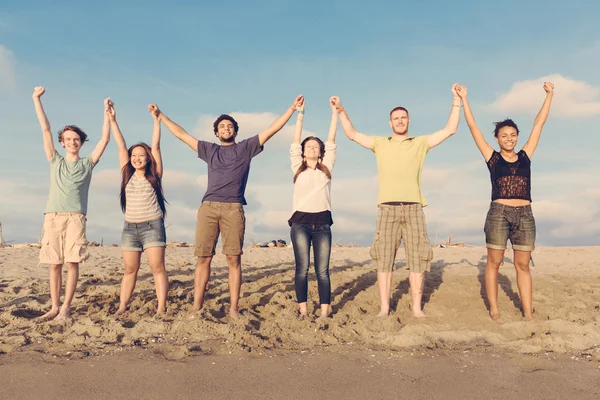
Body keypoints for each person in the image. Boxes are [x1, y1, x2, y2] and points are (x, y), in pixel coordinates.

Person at [150, 95, 304, 318]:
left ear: (235, 131)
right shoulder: (209, 150)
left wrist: (291, 109)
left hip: (233, 208)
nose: (226, 128)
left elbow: (271, 130)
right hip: (208, 208)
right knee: (203, 258)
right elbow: (181, 134)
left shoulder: (245, 148)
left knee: (234, 259)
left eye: (230, 126)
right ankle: (197, 305)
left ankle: (233, 309)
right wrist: (160, 115)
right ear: (216, 132)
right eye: (222, 126)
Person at [333, 84, 461, 317]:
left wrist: (456, 99)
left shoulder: (420, 143)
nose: (400, 121)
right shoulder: (381, 143)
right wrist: (341, 111)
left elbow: (450, 129)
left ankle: (416, 309)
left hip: (413, 208)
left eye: (403, 117)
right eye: (395, 118)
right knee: (384, 260)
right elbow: (351, 134)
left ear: (409, 120)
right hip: (387, 209)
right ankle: (384, 308)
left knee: (418, 260)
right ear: (390, 123)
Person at [456, 82, 554, 321]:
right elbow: (473, 127)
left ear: (517, 137)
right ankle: (495, 309)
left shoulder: (525, 155)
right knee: (495, 262)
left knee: (522, 265)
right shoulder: (492, 157)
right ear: (497, 138)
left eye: (512, 135)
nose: (509, 139)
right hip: (499, 213)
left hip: (525, 214)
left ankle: (528, 313)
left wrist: (550, 95)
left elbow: (539, 124)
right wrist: (464, 100)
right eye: (504, 136)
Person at [33, 86, 110, 321]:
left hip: (76, 217)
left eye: (76, 139)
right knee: (54, 264)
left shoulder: (87, 163)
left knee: (72, 261)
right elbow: (45, 129)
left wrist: (107, 113)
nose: (72, 142)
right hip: (53, 216)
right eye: (67, 139)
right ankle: (54, 307)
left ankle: (66, 307)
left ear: (81, 142)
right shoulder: (55, 160)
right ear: (62, 142)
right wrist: (36, 99)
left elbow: (105, 140)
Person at [108, 101, 169, 315]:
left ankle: (161, 308)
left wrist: (156, 120)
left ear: (148, 158)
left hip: (152, 225)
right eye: (134, 155)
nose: (136, 158)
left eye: (141, 155)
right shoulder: (127, 173)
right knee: (130, 270)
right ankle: (122, 307)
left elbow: (157, 145)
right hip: (129, 228)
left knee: (157, 268)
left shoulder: (155, 174)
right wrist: (113, 120)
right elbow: (120, 144)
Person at [289, 96, 338, 319]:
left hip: (322, 225)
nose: (311, 148)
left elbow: (331, 139)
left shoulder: (326, 168)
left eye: (315, 146)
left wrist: (335, 113)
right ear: (303, 151)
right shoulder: (297, 167)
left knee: (322, 271)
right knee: (302, 269)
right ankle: (303, 310)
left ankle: (325, 311)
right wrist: (300, 113)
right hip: (299, 224)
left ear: (320, 152)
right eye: (308, 146)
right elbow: (295, 139)